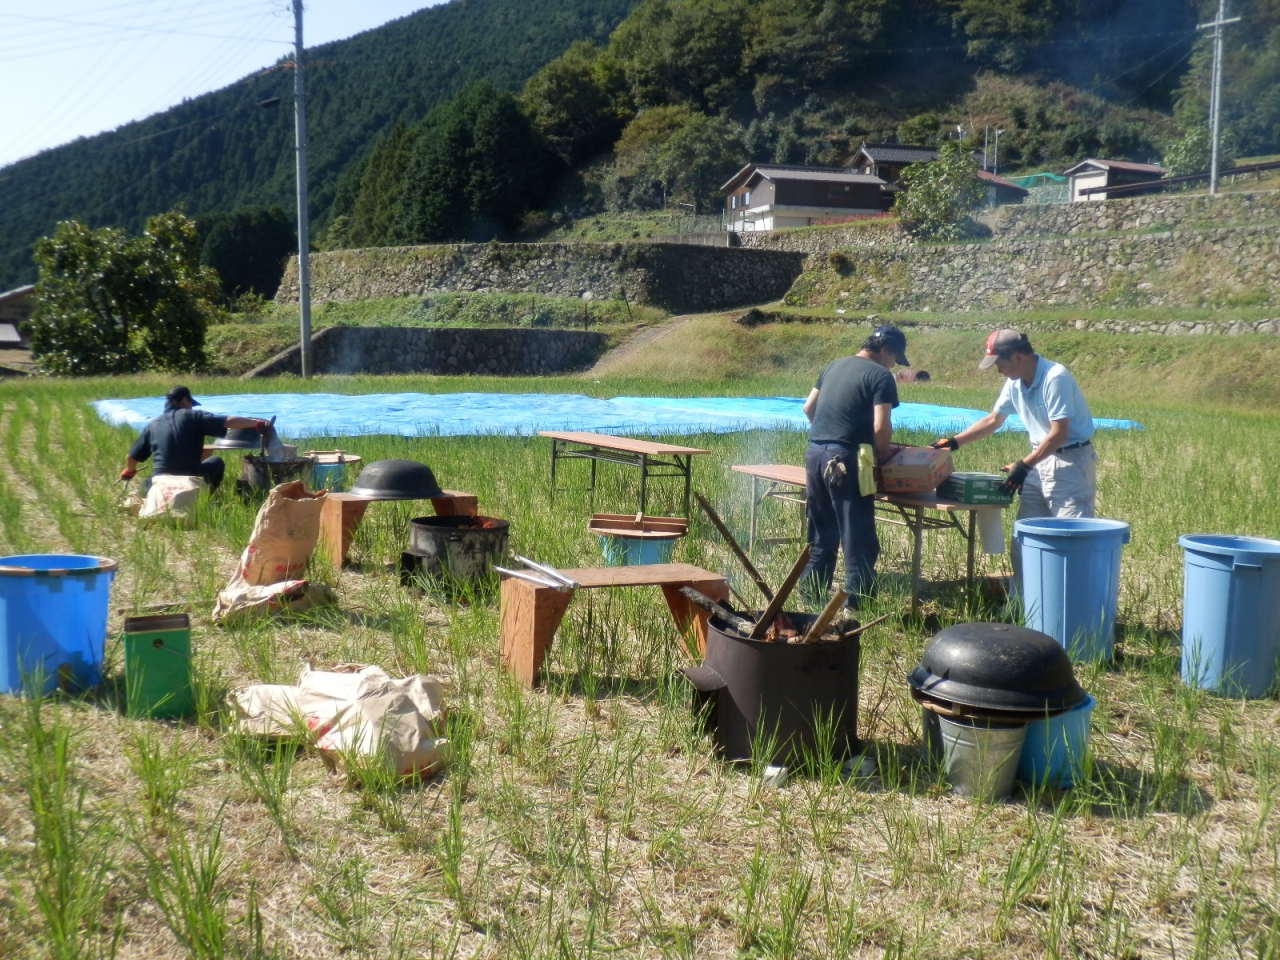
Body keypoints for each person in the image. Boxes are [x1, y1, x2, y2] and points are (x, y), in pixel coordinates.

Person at [931, 329, 1096, 576]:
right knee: (1025, 536)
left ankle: (1072, 607)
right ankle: (1021, 602)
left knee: (1070, 537)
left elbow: (1059, 433)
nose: (999, 371)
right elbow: (993, 420)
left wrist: (1024, 466)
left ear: (1018, 357)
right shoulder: (1014, 383)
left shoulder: (1055, 377)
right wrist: (953, 443)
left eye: (1000, 364)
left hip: (1069, 463)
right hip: (1038, 461)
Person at [800, 324, 909, 608]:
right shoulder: (880, 376)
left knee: (822, 530)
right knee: (856, 532)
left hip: (814, 453)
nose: (894, 363)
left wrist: (829, 435)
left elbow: (808, 408)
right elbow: (881, 427)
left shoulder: (833, 365)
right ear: (885, 350)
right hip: (845, 460)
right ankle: (856, 604)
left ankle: (811, 598)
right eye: (895, 357)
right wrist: (882, 456)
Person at [120, 386, 270, 492]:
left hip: (160, 479)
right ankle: (200, 497)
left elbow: (131, 457)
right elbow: (229, 421)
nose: (191, 407)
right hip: (190, 476)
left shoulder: (153, 424)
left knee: (145, 485)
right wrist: (256, 423)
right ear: (184, 401)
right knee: (216, 462)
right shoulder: (194, 416)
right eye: (191, 404)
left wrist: (129, 471)